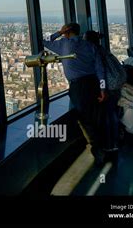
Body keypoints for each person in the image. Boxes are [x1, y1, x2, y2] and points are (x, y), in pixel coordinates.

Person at [43, 23, 106, 164]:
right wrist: (102, 88)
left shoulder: (64, 44)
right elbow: (99, 68)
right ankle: (101, 145)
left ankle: (96, 149)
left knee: (82, 117)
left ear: (67, 31)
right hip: (93, 83)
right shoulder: (90, 46)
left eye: (64, 29)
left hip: (78, 86)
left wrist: (58, 33)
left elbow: (44, 41)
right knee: (94, 115)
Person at [84, 30, 126, 162]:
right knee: (112, 114)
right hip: (115, 86)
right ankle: (114, 142)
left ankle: (110, 145)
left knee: (107, 117)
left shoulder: (93, 52)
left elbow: (99, 72)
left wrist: (102, 89)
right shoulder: (103, 50)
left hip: (108, 88)